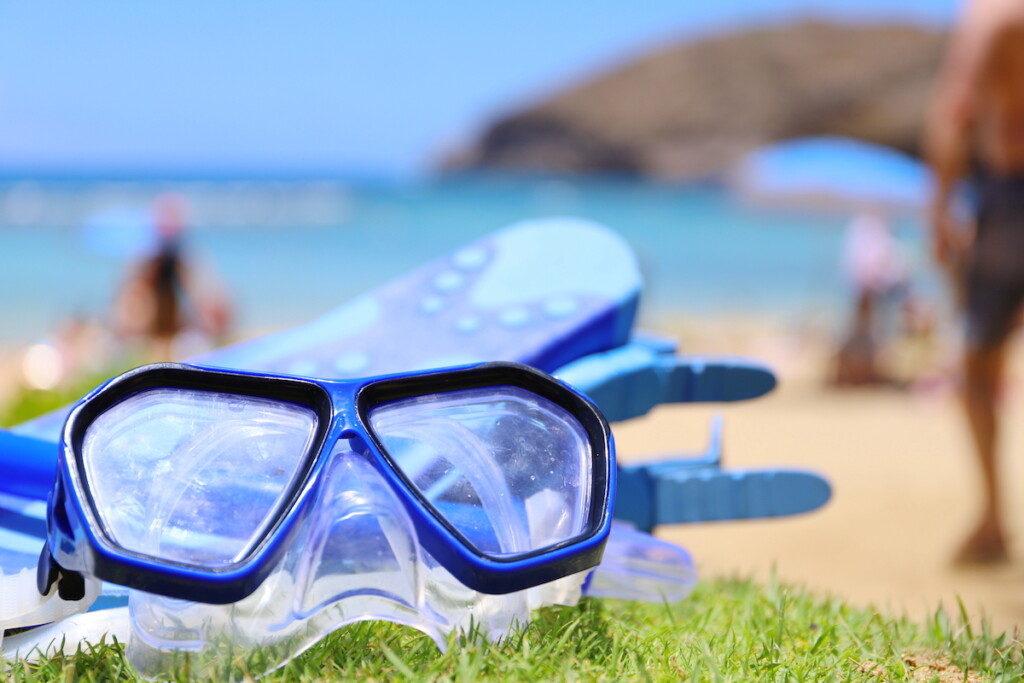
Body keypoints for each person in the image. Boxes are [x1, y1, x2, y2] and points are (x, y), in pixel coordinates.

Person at [925, 0, 1024, 564]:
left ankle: (992, 519)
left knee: (979, 369)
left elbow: (956, 111)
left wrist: (941, 210)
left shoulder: (992, 15)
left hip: (1008, 196)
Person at [113, 194, 233, 361]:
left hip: (174, 329)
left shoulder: (182, 258)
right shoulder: (149, 259)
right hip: (157, 328)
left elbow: (211, 306)